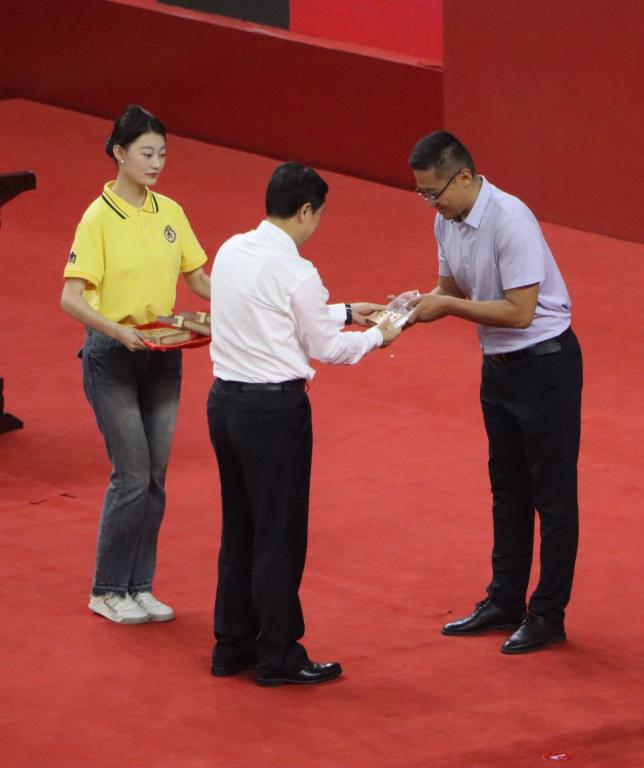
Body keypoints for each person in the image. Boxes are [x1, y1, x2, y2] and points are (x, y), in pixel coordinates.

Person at [207, 161, 400, 687]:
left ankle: (232, 645)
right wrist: (379, 335)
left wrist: (345, 310)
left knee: (240, 528)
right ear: (306, 210)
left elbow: (275, 312)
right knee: (280, 533)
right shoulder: (298, 271)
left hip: (225, 403)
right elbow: (327, 348)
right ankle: (278, 653)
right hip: (274, 414)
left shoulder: (231, 249)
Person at [407, 131, 583, 655]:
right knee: (507, 489)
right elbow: (450, 290)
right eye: (421, 193)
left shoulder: (511, 220)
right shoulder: (446, 220)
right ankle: (505, 599)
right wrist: (411, 307)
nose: (430, 203)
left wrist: (446, 308)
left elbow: (520, 311)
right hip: (499, 367)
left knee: (552, 495)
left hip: (545, 364)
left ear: (464, 177)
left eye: (434, 192)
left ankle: (548, 613)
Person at [60, 104, 211, 625]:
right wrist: (116, 330)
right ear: (119, 153)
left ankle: (139, 586)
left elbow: (198, 280)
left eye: (162, 154)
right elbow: (71, 298)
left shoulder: (170, 212)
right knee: (132, 475)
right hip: (112, 358)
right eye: (147, 153)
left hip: (163, 356)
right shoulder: (97, 218)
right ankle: (107, 589)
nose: (156, 163)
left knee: (156, 477)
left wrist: (242, 303)